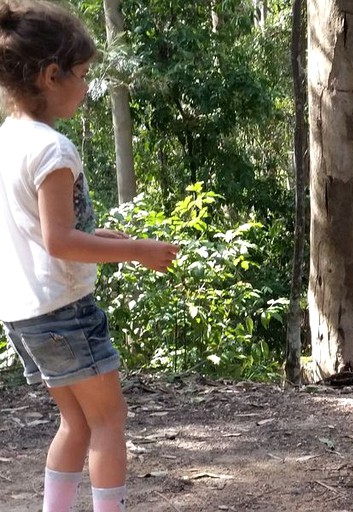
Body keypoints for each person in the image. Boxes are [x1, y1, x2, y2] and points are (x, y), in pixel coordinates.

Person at [0, 1, 179, 511]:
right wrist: (140, 251)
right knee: (108, 421)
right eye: (81, 75)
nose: (86, 86)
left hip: (24, 311)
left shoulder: (9, 140)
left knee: (75, 422)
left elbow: (38, 230)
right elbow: (59, 241)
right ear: (50, 75)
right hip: (63, 309)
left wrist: (104, 237)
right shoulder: (52, 150)